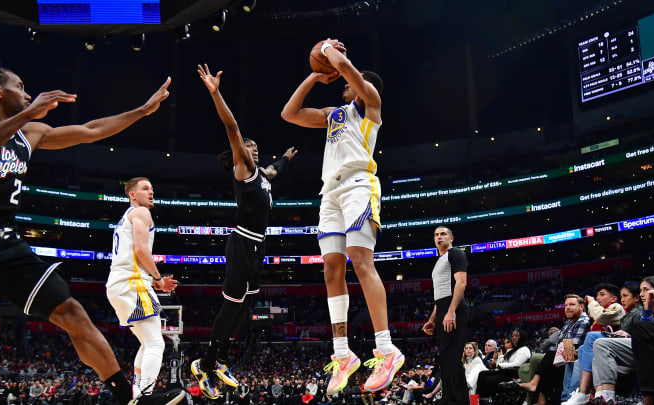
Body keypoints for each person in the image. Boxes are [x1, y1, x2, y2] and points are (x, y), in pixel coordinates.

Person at [0, 66, 179, 405]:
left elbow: (91, 130)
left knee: (72, 312)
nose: (26, 93)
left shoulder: (30, 133)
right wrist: (28, 114)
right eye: (19, 86)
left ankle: (127, 399)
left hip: (8, 240)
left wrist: (141, 111)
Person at [281, 38, 403, 394]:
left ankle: (386, 348)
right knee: (332, 267)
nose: (345, 83)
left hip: (358, 185)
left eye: (352, 82)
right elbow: (289, 113)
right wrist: (314, 77)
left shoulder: (371, 106)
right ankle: (342, 353)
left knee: (361, 261)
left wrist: (330, 51)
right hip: (329, 192)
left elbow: (351, 73)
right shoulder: (334, 115)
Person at [190, 64, 296, 399]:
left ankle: (217, 359)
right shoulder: (243, 167)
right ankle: (206, 361)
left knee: (246, 306)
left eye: (254, 146)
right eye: (248, 145)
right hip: (242, 242)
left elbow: (274, 171)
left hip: (258, 247)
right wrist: (215, 92)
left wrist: (286, 159)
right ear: (240, 152)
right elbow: (232, 127)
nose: (253, 148)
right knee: (232, 303)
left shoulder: (262, 173)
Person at [106, 177, 179, 398]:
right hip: (132, 282)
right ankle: (145, 395)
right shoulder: (140, 212)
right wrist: (158, 278)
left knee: (147, 342)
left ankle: (137, 392)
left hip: (119, 284)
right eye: (145, 188)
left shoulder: (126, 217)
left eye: (152, 189)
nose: (151, 192)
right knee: (157, 343)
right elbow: (140, 249)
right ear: (132, 195)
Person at [505, 295, 590, 405]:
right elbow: (557, 344)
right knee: (549, 360)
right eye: (566, 305)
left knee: (550, 358)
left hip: (575, 356)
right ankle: (539, 396)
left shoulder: (583, 321)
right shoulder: (568, 323)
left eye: (572, 304)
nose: (567, 307)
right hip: (563, 355)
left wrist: (555, 346)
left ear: (582, 307)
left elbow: (572, 345)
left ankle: (536, 393)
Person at [422, 227, 469, 404]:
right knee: (446, 360)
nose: (439, 237)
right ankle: (449, 399)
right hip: (443, 308)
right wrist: (433, 319)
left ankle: (460, 401)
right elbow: (440, 293)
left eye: (443, 234)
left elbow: (461, 283)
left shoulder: (455, 254)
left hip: (454, 309)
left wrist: (450, 311)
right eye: (436, 234)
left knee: (452, 359)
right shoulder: (439, 261)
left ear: (451, 238)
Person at [563, 284, 625, 405]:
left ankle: (582, 392)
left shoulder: (616, 307)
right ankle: (571, 397)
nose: (597, 298)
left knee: (588, 341)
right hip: (593, 347)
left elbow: (601, 317)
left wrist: (591, 302)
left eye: (602, 294)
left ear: (613, 298)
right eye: (596, 296)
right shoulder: (570, 323)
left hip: (611, 348)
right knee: (580, 351)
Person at [587, 281, 647, 405]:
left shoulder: (639, 312)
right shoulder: (627, 315)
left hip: (639, 352)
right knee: (596, 359)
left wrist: (629, 335)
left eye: (625, 296)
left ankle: (608, 397)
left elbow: (644, 335)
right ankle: (599, 396)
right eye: (621, 296)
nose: (622, 299)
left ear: (636, 298)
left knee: (599, 343)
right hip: (629, 354)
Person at [476, 330, 531, 398]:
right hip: (506, 371)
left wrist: (497, 364)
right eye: (513, 335)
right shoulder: (513, 350)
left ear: (522, 337)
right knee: (482, 374)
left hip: (514, 374)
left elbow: (516, 364)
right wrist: (496, 361)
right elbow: (504, 363)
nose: (513, 337)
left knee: (488, 380)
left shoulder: (524, 350)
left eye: (516, 336)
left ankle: (488, 400)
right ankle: (475, 401)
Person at [631, 276, 654, 405]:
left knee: (638, 328)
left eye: (645, 290)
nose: (641, 294)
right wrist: (648, 307)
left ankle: (648, 397)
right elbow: (646, 331)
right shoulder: (649, 312)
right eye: (640, 290)